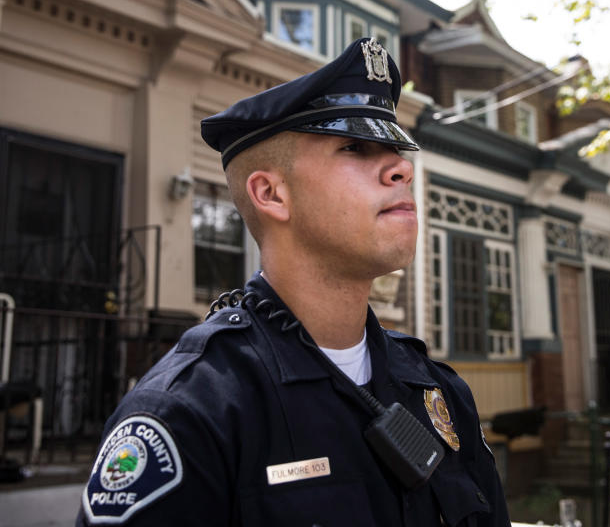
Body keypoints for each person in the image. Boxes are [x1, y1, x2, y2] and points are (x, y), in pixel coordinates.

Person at [78, 37, 511, 526]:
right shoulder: (191, 412)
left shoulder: (439, 394)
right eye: (355, 147)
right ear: (271, 193)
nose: (402, 168)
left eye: (396, 150)